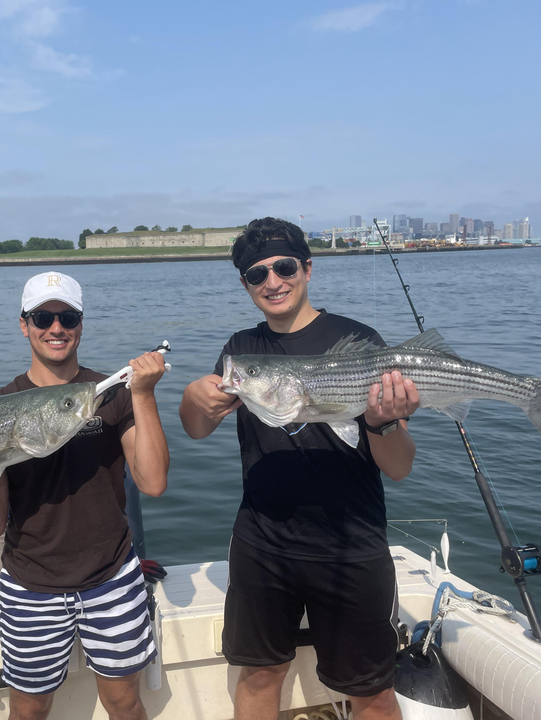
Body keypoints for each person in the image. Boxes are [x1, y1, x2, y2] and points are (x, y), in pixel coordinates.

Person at [0, 271, 170, 720]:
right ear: (24, 325)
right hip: (30, 587)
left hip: (112, 577)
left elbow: (153, 482)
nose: (56, 328)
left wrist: (144, 395)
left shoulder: (110, 394)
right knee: (29, 709)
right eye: (43, 317)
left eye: (68, 317)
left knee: (123, 701)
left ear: (81, 323)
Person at [178, 218, 419, 720]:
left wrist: (381, 423)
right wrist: (193, 399)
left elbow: (398, 468)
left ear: (307, 268)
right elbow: (197, 429)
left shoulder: (359, 340)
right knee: (261, 674)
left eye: (283, 266)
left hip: (351, 544)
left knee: (371, 690)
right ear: (245, 286)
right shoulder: (241, 351)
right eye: (255, 274)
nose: (272, 281)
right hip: (262, 544)